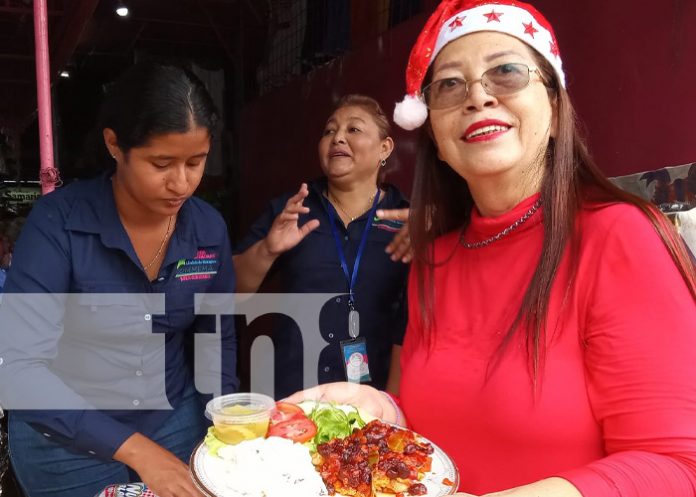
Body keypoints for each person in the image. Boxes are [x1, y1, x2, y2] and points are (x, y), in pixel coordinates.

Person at [287, 1, 696, 496]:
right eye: (450, 85)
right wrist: (386, 411)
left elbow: (677, 467)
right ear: (434, 133)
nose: (477, 96)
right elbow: (447, 427)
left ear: (555, 106)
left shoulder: (622, 238)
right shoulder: (433, 260)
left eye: (505, 72)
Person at [0, 62, 238, 497]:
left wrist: (222, 424)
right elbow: (18, 369)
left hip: (174, 422)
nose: (181, 183)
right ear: (114, 144)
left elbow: (213, 339)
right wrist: (139, 453)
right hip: (65, 443)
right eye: (161, 163)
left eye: (196, 162)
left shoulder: (207, 230)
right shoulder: (58, 226)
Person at [233, 94, 411, 399]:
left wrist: (394, 404)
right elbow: (232, 290)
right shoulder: (294, 210)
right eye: (329, 131)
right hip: (295, 391)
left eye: (353, 130)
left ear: (385, 148)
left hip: (373, 396)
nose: (338, 137)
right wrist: (267, 250)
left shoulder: (406, 219)